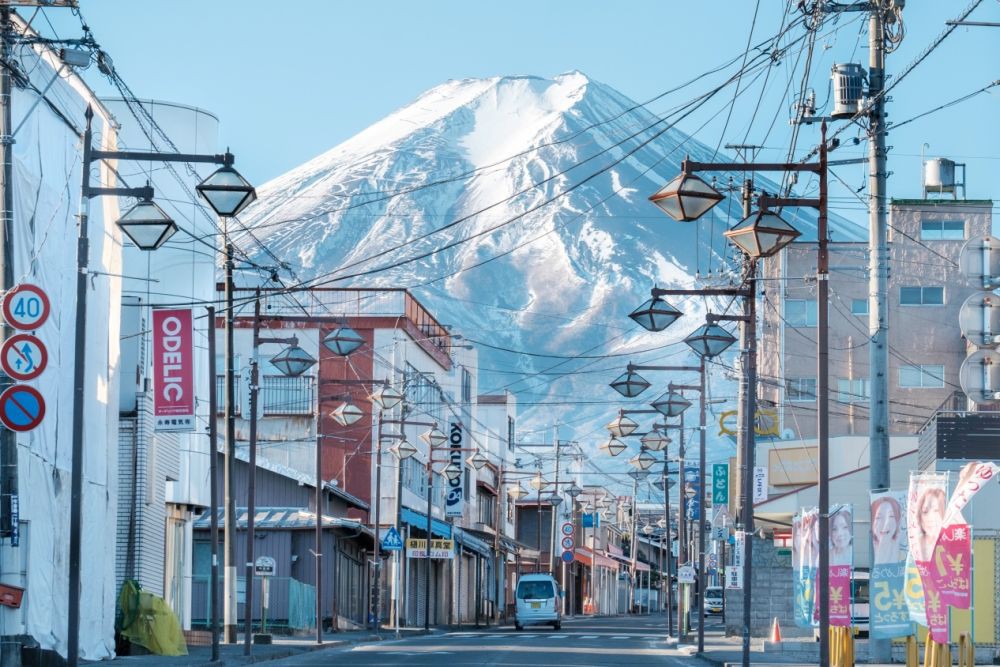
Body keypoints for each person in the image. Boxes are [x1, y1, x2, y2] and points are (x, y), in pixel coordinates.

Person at [914, 486, 946, 562]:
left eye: (936, 511)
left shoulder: (952, 543)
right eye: (925, 512)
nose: (930, 518)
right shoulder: (915, 545)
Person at [871, 495, 904, 564]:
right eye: (878, 517)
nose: (885, 523)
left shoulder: (903, 552)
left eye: (891, 516)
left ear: (898, 521)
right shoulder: (872, 551)